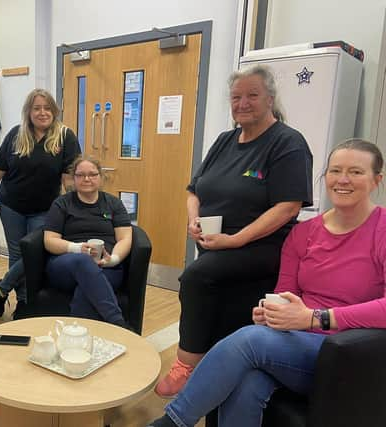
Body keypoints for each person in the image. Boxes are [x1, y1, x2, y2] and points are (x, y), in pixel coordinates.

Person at [148, 139, 386, 427]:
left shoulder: (381, 230)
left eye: (356, 172)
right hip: (298, 342)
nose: (343, 179)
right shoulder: (303, 234)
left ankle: (172, 422)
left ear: (376, 180)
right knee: (249, 379)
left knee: (251, 339)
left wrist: (315, 318)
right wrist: (272, 312)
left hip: (352, 353)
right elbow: (284, 292)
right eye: (335, 171)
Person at [155, 65, 314, 398]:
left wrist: (236, 239)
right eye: (236, 97)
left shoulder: (288, 143)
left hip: (263, 248)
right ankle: (213, 371)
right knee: (210, 295)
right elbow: (193, 189)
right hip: (217, 246)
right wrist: (193, 219)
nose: (243, 103)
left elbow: (288, 206)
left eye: (252, 95)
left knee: (195, 278)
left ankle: (186, 365)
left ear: (270, 98)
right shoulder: (225, 140)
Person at [0, 88, 81, 316]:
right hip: (11, 206)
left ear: (54, 110)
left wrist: (74, 205)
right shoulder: (16, 134)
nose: (42, 113)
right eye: (37, 108)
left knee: (36, 253)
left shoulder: (65, 137)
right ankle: (23, 302)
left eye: (47, 108)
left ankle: (1, 288)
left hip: (45, 209)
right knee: (18, 255)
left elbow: (70, 177)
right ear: (29, 112)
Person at [42, 156, 132, 328]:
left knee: (86, 290)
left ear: (101, 177)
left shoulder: (114, 204)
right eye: (80, 175)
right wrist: (77, 249)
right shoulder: (62, 204)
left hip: (105, 264)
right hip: (66, 263)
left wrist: (112, 260)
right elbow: (49, 241)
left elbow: (125, 238)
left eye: (92, 174)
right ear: (73, 178)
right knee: (83, 261)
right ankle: (119, 324)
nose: (87, 179)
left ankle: (77, 340)